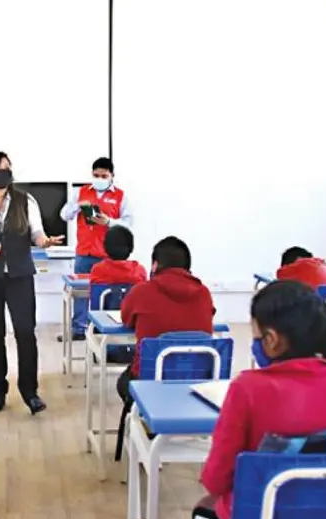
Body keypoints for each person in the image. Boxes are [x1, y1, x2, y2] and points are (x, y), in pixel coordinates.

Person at [197, 280, 326, 519]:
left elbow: (216, 480)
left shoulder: (247, 389)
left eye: (257, 335)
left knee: (205, 506)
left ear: (272, 340)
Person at [0, 151, 63, 414]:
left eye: (9, 167)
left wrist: (46, 242)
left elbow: (37, 233)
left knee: (25, 332)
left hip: (19, 275)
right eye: (0, 169)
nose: (7, 172)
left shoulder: (25, 200)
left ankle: (30, 392)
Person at [115, 237, 215, 403]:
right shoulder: (204, 293)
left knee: (123, 383)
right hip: (197, 380)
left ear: (155, 265)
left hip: (149, 379)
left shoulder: (141, 292)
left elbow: (126, 320)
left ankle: (141, 422)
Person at [59, 157, 132, 342]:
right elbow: (64, 215)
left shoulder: (121, 196)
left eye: (103, 175)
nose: (99, 178)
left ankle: (104, 329)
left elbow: (128, 224)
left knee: (107, 293)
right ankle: (78, 329)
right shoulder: (81, 192)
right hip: (84, 252)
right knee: (80, 294)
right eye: (96, 175)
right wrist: (78, 206)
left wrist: (109, 222)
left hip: (108, 255)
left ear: (112, 176)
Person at [90, 226, 147, 364]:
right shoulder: (140, 271)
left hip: (104, 335)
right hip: (135, 334)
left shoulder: (98, 270)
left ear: (105, 247)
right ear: (131, 248)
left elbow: (95, 307)